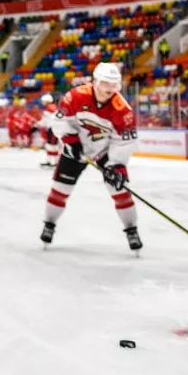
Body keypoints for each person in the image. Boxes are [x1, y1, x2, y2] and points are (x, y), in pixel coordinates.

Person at [40, 63, 142, 253]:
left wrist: (117, 165)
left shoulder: (123, 110)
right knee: (60, 190)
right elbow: (60, 121)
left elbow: (123, 142)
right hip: (76, 148)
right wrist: (71, 141)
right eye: (105, 83)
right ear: (95, 82)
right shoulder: (76, 95)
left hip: (105, 152)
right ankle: (49, 224)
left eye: (114, 84)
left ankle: (131, 229)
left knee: (120, 191)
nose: (110, 89)